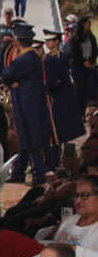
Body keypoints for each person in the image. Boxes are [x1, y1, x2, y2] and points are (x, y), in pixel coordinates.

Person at [1, 25, 52, 184]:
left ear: (16, 41)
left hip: (26, 103)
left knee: (30, 138)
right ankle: (19, 172)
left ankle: (38, 174)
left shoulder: (23, 59)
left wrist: (14, 80)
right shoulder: (34, 57)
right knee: (24, 138)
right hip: (30, 101)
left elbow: (6, 75)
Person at [42, 28, 85, 166]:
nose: (47, 43)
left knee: (59, 132)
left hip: (60, 98)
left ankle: (58, 162)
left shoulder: (58, 58)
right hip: (59, 97)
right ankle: (58, 162)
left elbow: (53, 82)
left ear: (57, 41)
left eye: (50, 40)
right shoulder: (53, 57)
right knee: (60, 133)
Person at [67, 16, 97, 111]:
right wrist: (82, 63)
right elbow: (73, 54)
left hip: (90, 66)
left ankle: (88, 110)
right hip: (78, 68)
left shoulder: (91, 37)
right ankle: (80, 112)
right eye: (88, 23)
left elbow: (95, 50)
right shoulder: (75, 39)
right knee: (79, 90)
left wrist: (91, 62)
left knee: (90, 90)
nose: (90, 25)